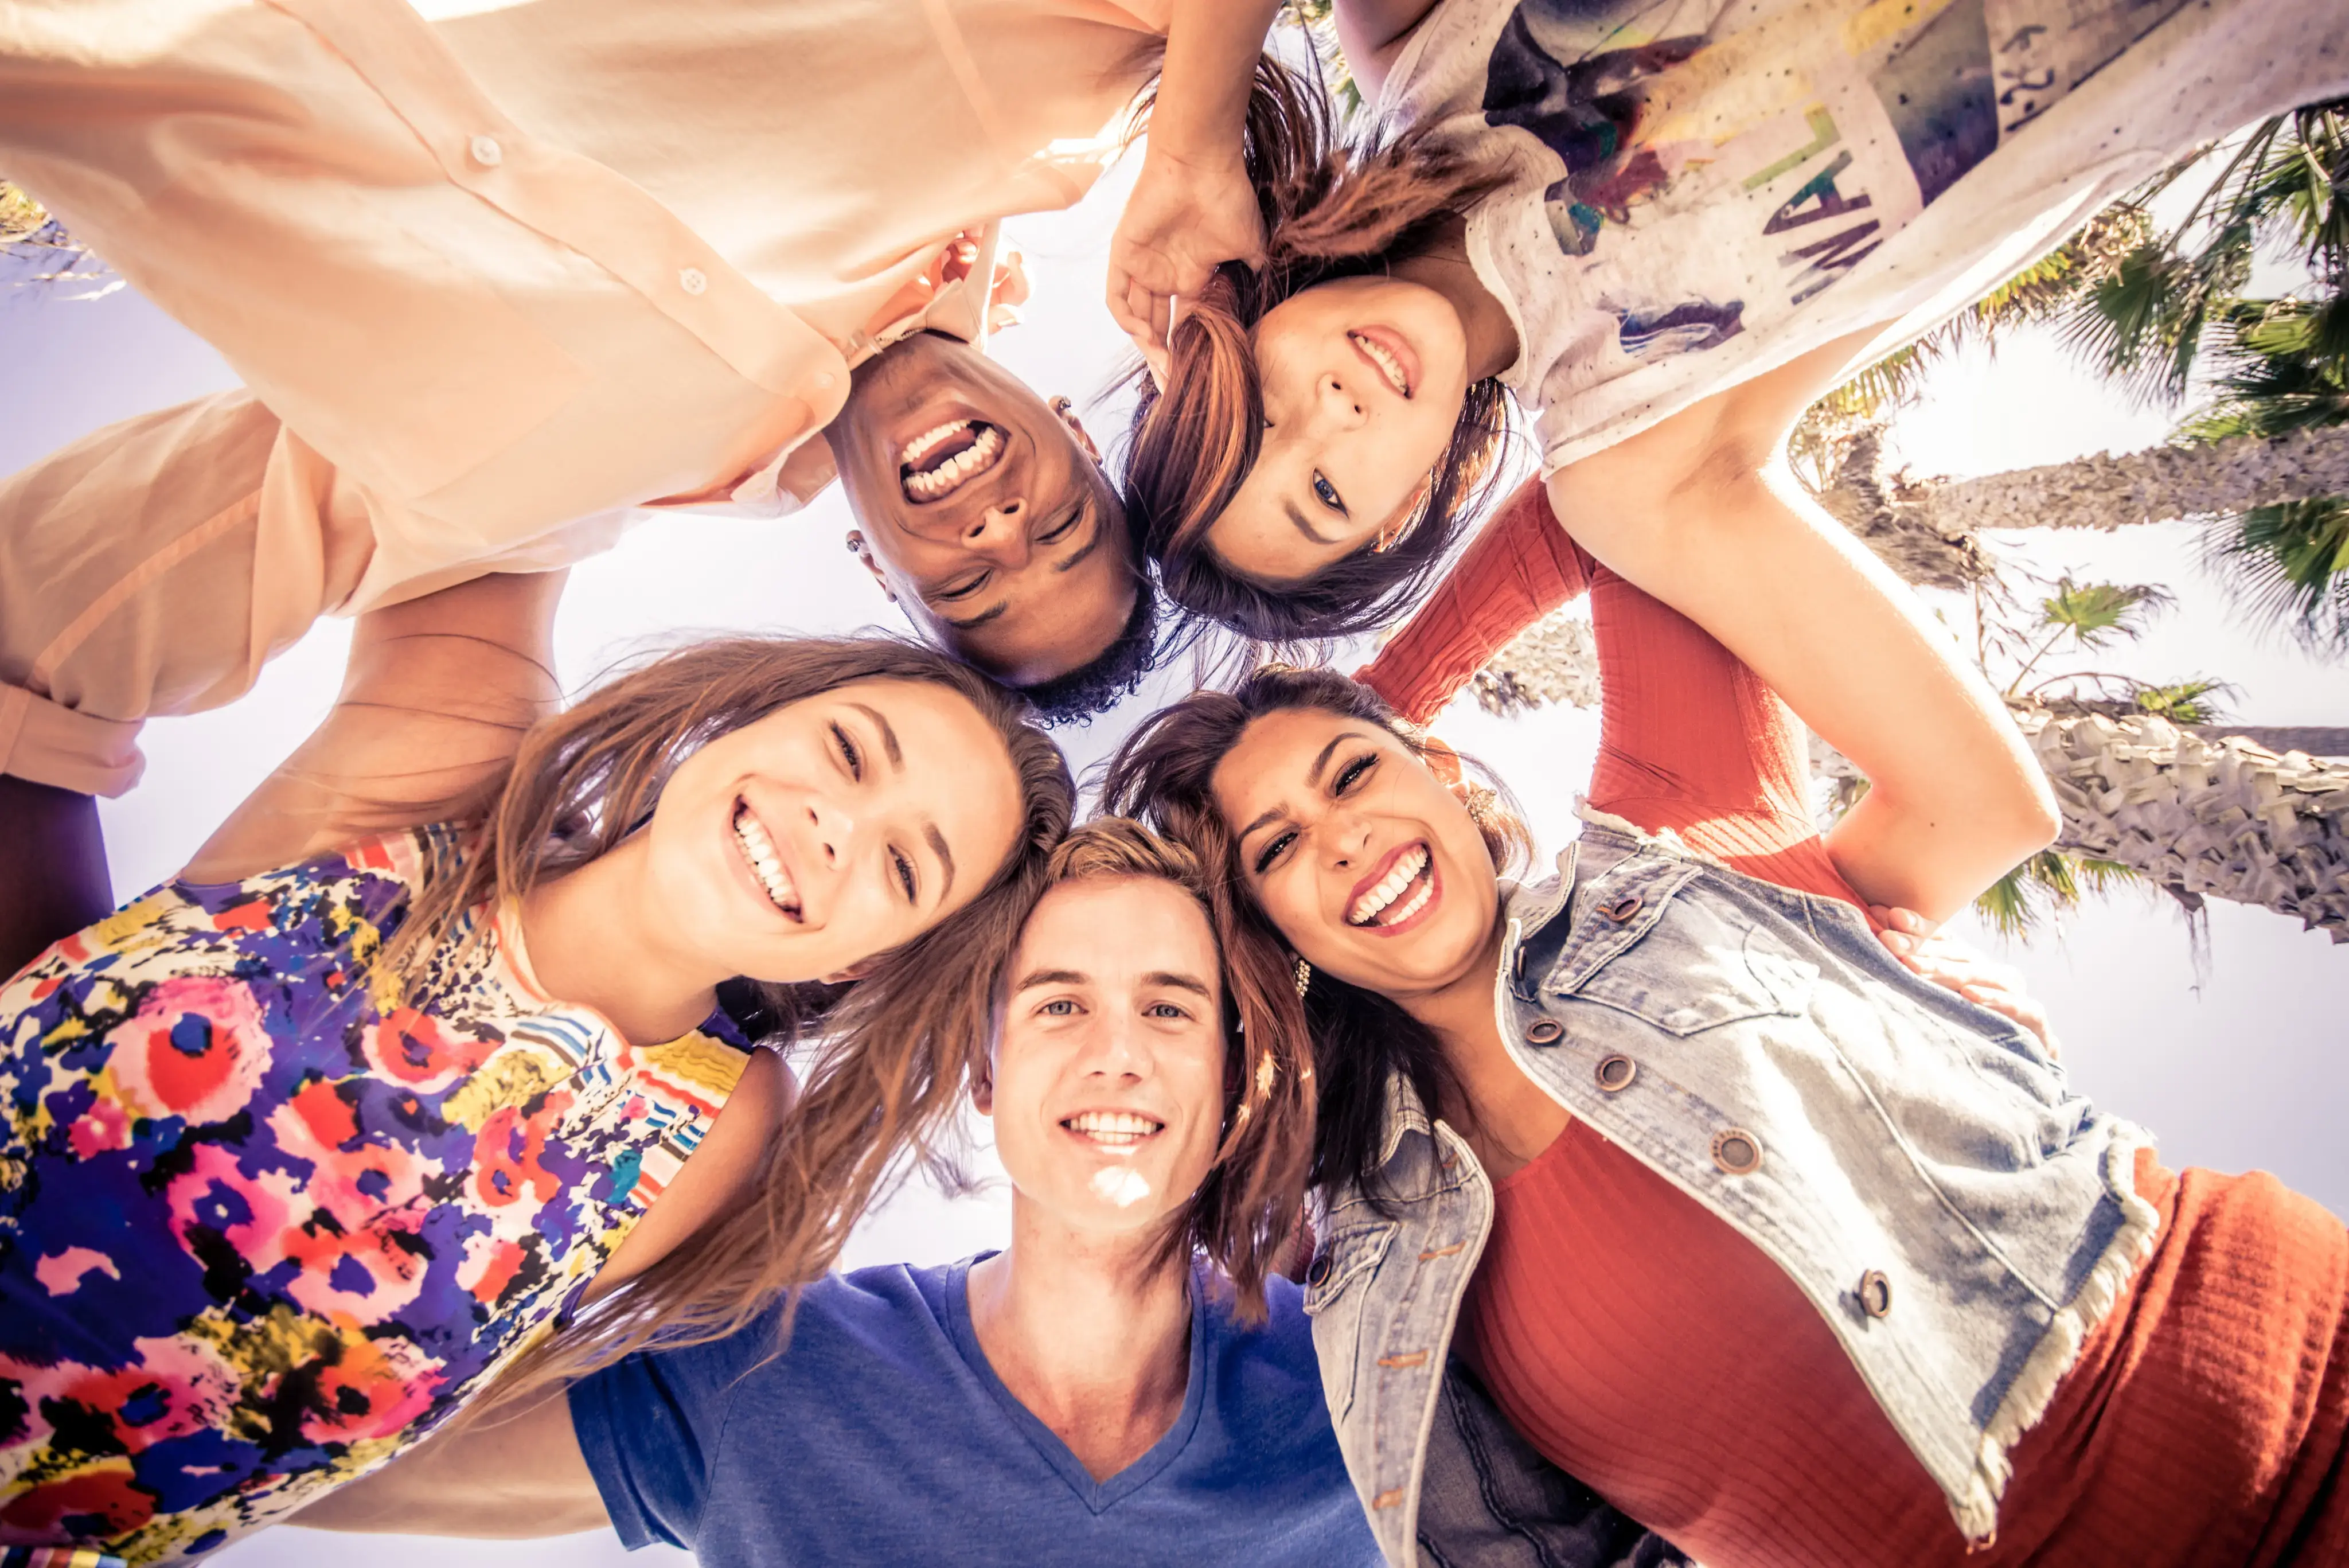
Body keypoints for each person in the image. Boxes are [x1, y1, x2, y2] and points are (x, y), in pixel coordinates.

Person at [1101, 472, 2349, 1566]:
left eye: (1354, 777)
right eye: (1278, 847)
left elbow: (1601, 490)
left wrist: (1365, 697)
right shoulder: (1356, 1251)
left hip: (2300, 1398)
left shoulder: (1675, 837)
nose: (1344, 836)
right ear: (1272, 936)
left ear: (1449, 771)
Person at [0, 0, 1294, 968]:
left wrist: (54, 1052)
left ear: (883, 577)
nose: (999, 525)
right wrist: (1191, 146)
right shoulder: (1037, 100)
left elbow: (48, 641)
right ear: (1069, 423)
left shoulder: (533, 510)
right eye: (1062, 525)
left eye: (971, 584)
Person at [0, 568, 1075, 1563]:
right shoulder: (453, 774)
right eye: (848, 751)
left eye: (902, 864)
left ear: (862, 962)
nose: (837, 826)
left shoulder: (717, 1138)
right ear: (741, 714)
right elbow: (507, 445)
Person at [278, 821, 1563, 1565]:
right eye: (1058, 1001)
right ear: (984, 1072)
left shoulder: (1376, 1391)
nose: (1114, 1049)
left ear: (1234, 1088)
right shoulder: (769, 1370)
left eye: (1168, 1007)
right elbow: (305, 1459)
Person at [1107, 0, 2349, 645]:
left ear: (1243, 330)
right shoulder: (1624, 455)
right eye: (1324, 494)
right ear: (1399, 514)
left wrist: (1194, 145)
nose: (1332, 413)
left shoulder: (1418, 54)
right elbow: (1971, 812)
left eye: (1264, 410)